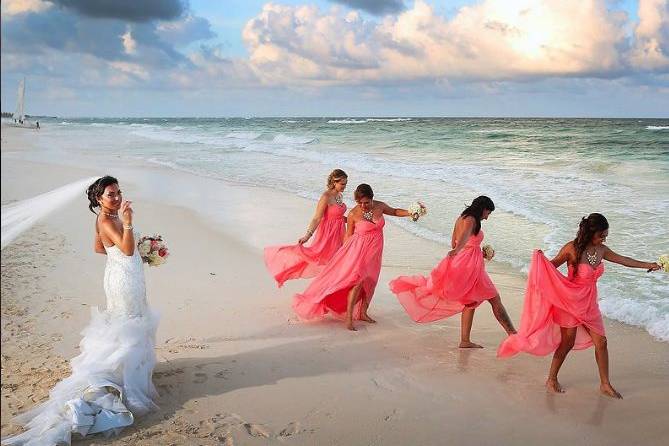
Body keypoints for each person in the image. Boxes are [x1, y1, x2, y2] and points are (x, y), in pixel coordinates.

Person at [3, 176, 159, 445]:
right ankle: (124, 378)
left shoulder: (105, 219)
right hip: (124, 282)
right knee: (129, 323)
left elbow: (100, 248)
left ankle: (129, 369)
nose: (118, 197)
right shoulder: (109, 219)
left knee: (131, 321)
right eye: (111, 194)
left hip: (124, 275)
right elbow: (126, 246)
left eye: (119, 192)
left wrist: (133, 255)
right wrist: (129, 224)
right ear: (98, 198)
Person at [498, 213, 661, 398]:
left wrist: (649, 264)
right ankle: (551, 378)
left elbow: (624, 261)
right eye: (601, 235)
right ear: (590, 233)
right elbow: (550, 268)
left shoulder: (602, 250)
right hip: (570, 302)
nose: (604, 239)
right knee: (566, 343)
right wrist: (540, 261)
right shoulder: (571, 249)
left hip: (590, 304)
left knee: (602, 342)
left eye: (605, 236)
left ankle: (605, 384)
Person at [390, 196, 516, 347]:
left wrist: (471, 250)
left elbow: (454, 241)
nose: (487, 217)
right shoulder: (471, 220)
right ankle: (513, 335)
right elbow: (461, 240)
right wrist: (459, 249)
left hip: (467, 263)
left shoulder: (461, 217)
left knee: (471, 302)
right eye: (488, 213)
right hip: (469, 267)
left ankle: (465, 340)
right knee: (494, 298)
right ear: (483, 209)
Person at [293, 183, 420, 331]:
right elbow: (348, 236)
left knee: (371, 280)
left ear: (372, 199)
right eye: (360, 202)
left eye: (366, 202)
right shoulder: (353, 214)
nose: (363, 205)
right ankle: (349, 318)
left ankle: (363, 313)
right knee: (357, 282)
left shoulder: (380, 206)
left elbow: (395, 211)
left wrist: (411, 212)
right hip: (358, 252)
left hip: (375, 252)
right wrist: (344, 256)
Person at [264, 169, 348, 287]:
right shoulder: (326, 197)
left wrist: (354, 220)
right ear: (334, 182)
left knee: (338, 262)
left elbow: (338, 216)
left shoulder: (339, 195)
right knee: (323, 260)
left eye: (346, 183)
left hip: (340, 233)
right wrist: (308, 235)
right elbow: (317, 218)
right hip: (328, 235)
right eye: (342, 184)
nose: (345, 186)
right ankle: (287, 273)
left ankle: (330, 288)